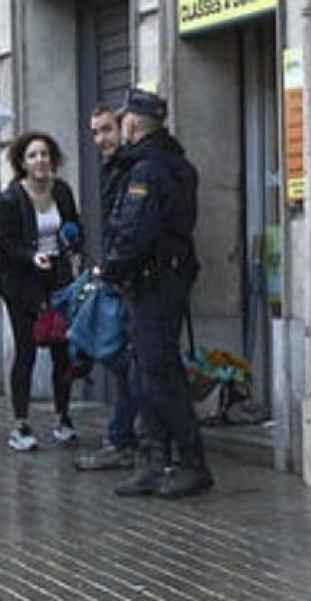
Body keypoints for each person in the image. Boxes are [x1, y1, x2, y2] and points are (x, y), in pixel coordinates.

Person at [98, 87, 211, 499]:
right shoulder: (175, 163)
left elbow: (134, 230)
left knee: (160, 374)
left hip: (152, 282)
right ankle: (155, 459)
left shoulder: (148, 170)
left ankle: (190, 461)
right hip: (160, 279)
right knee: (149, 373)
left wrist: (110, 269)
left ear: (131, 123)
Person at [2, 131, 82, 451]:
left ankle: (63, 418)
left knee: (63, 348)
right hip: (21, 284)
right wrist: (31, 257)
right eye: (33, 155)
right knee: (27, 349)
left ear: (53, 159)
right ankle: (20, 424)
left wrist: (74, 241)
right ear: (22, 162)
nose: (40, 161)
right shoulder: (10, 199)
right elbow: (5, 244)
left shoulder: (61, 190)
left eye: (45, 154)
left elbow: (74, 227)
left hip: (58, 280)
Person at [78, 104, 144, 472]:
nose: (101, 139)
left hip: (129, 279)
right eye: (95, 132)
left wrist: (115, 269)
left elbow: (128, 228)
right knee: (121, 362)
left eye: (106, 130)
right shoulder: (113, 169)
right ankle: (124, 436)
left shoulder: (131, 169)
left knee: (125, 361)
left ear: (122, 128)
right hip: (115, 275)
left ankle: (125, 439)